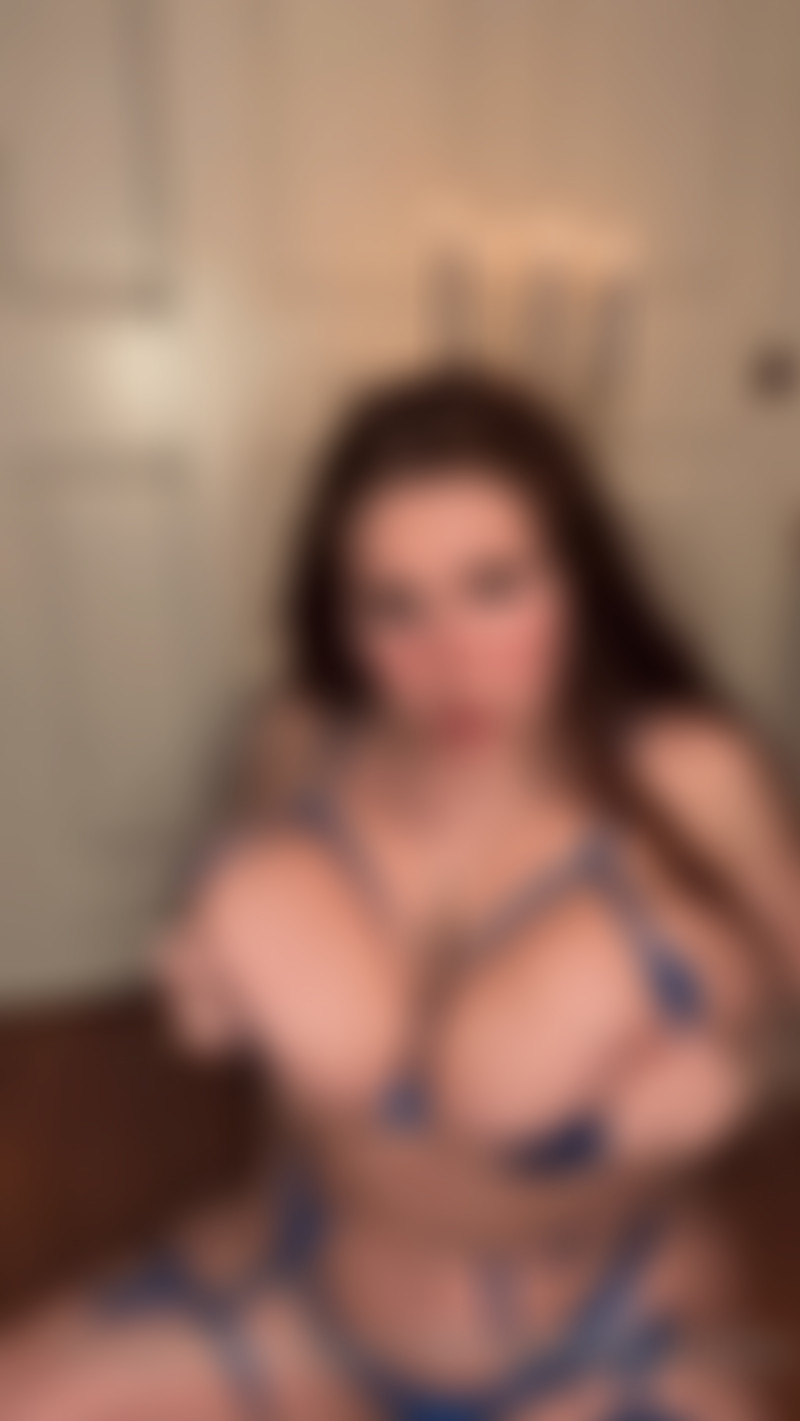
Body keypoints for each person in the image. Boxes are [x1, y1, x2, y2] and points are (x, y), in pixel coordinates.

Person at [4, 368, 799, 1420]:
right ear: (341, 616)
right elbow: (274, 1019)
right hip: (298, 1292)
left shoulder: (687, 768)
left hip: (594, 1338)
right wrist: (212, 980)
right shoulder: (302, 740)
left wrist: (743, 1079)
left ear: (579, 578)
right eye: (394, 605)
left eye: (494, 586)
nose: (449, 658)